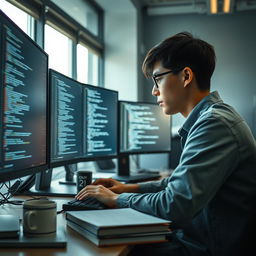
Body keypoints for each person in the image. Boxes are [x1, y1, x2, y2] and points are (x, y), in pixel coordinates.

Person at [76, 32, 256, 256]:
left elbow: (174, 205)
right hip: (200, 238)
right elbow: (179, 186)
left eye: (158, 78)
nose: (154, 90)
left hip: (206, 248)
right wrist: (126, 188)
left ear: (186, 76)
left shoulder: (214, 124)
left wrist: (116, 199)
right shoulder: (212, 118)